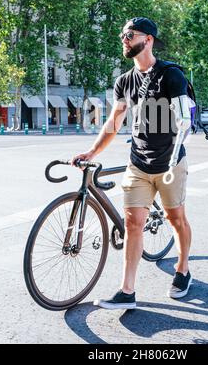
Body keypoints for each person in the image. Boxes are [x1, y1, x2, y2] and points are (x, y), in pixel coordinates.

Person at [72, 17, 193, 309]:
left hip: (169, 164)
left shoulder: (171, 75)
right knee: (133, 222)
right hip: (138, 163)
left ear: (148, 39)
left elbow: (185, 121)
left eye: (129, 35)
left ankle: (183, 269)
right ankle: (127, 291)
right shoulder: (124, 81)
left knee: (176, 219)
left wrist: (174, 154)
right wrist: (92, 152)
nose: (123, 40)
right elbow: (114, 121)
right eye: (122, 35)